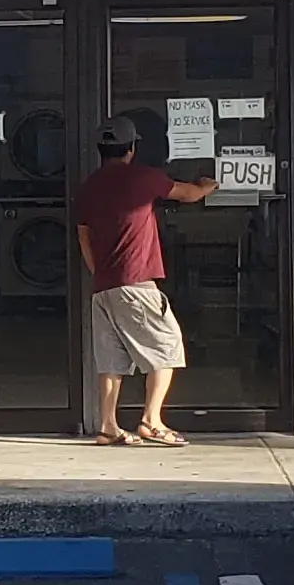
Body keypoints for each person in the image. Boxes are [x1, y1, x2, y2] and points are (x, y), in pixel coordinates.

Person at [72, 124, 215, 448]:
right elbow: (188, 194)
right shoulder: (142, 178)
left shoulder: (88, 188)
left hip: (104, 287)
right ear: (131, 149)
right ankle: (152, 421)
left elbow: (84, 236)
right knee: (167, 347)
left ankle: (109, 426)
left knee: (111, 361)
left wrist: (100, 272)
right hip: (136, 283)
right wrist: (209, 184)